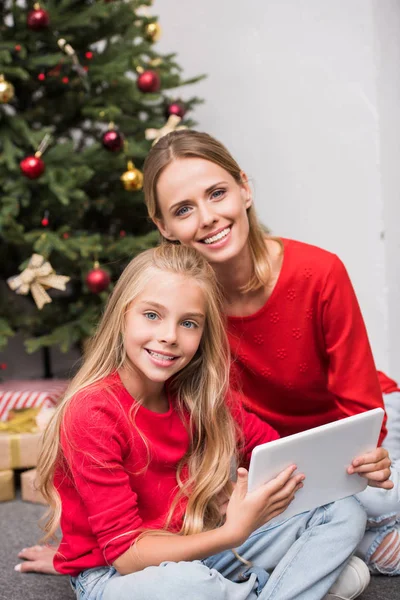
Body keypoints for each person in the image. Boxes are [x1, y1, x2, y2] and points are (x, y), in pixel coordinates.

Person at [17, 244, 369, 600]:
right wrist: (231, 533)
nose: (169, 336)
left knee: (344, 511)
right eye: (152, 315)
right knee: (191, 585)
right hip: (116, 574)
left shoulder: (203, 397)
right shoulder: (93, 411)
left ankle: (259, 588)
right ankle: (282, 585)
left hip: (200, 546)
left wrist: (356, 463)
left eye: (188, 323)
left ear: (203, 334)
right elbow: (125, 556)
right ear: (122, 316)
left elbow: (285, 461)